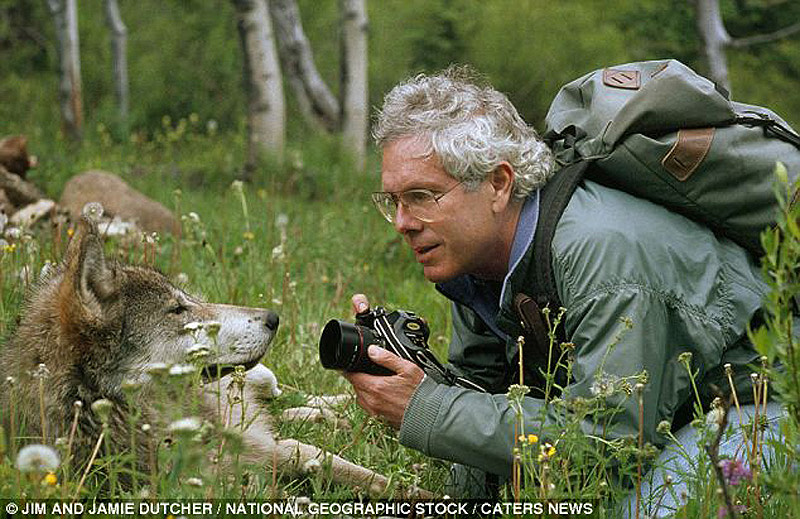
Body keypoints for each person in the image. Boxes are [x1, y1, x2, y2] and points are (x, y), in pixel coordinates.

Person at [341, 66, 780, 514]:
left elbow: (611, 447)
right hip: (672, 408)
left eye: (421, 196)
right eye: (393, 200)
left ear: (498, 184)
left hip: (762, 399)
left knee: (634, 511)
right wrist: (405, 369)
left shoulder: (604, 254)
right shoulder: (477, 260)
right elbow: (485, 388)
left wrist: (428, 409)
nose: (402, 222)